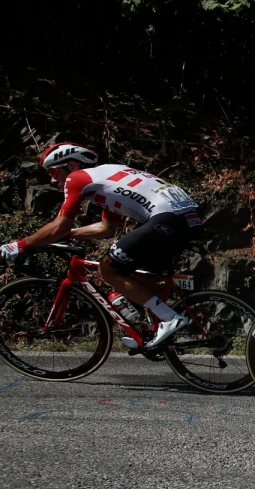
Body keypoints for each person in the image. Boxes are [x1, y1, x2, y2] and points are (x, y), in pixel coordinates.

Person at [1, 143, 203, 350]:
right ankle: (157, 331)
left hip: (167, 219)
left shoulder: (77, 177)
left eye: (53, 172)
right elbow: (107, 228)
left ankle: (170, 318)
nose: (53, 180)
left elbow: (60, 225)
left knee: (108, 269)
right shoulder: (109, 176)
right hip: (190, 218)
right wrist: (68, 235)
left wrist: (19, 246)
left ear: (71, 166)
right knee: (143, 276)